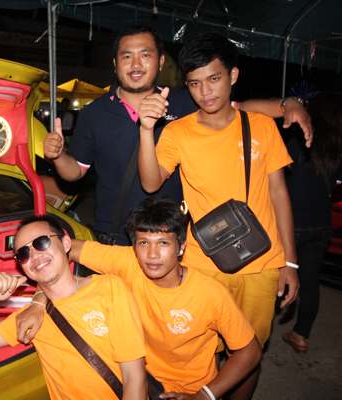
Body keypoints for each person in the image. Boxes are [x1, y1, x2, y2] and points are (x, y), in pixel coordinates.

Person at [136, 32, 299, 399]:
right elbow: (150, 181)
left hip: (261, 262)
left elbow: (279, 194)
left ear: (233, 76)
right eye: (195, 83)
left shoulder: (260, 126)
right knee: (201, 350)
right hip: (202, 263)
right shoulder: (177, 132)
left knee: (248, 352)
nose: (205, 91)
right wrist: (146, 130)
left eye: (214, 79)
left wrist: (290, 262)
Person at [44, 25, 312, 245]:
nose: (136, 64)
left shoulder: (184, 102)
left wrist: (287, 104)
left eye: (145, 55)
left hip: (171, 238)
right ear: (115, 64)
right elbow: (75, 172)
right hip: (115, 237)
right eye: (127, 56)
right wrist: (58, 156)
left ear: (160, 61)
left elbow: (237, 109)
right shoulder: (95, 113)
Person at [16, 198, 262, 399]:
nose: (152, 255)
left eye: (163, 243)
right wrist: (38, 300)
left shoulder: (209, 293)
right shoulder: (128, 262)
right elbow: (53, 253)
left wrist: (205, 396)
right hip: (136, 381)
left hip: (190, 390)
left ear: (181, 247)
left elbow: (250, 351)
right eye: (143, 243)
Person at [0, 214, 148, 400]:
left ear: (66, 244)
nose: (34, 255)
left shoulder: (108, 288)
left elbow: (134, 378)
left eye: (41, 242)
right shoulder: (32, 317)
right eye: (24, 253)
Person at [281, 92, 342, 353]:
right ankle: (301, 334)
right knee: (310, 279)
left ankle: (255, 333)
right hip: (321, 224)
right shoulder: (335, 146)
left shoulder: (298, 138)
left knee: (275, 276)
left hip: (291, 222)